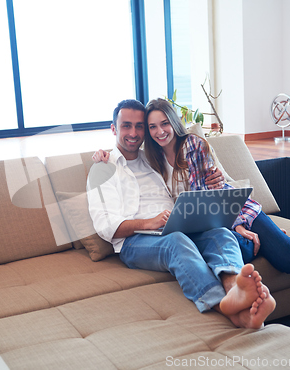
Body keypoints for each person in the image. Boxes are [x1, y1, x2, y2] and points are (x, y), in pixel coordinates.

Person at [87, 99, 275, 329]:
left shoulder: (152, 159)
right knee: (175, 242)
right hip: (134, 242)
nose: (134, 133)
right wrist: (149, 223)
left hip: (176, 226)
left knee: (220, 233)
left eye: (139, 126)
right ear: (114, 129)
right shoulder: (103, 168)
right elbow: (105, 227)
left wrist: (216, 178)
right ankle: (221, 304)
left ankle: (235, 291)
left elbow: (191, 175)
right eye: (126, 126)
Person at [97, 98, 290, 274]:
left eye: (164, 123)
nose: (160, 132)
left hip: (234, 211)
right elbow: (125, 149)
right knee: (241, 250)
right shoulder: (151, 158)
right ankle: (268, 238)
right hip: (208, 225)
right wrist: (102, 155)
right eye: (153, 126)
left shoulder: (193, 146)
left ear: (174, 122)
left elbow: (205, 198)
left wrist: (237, 226)